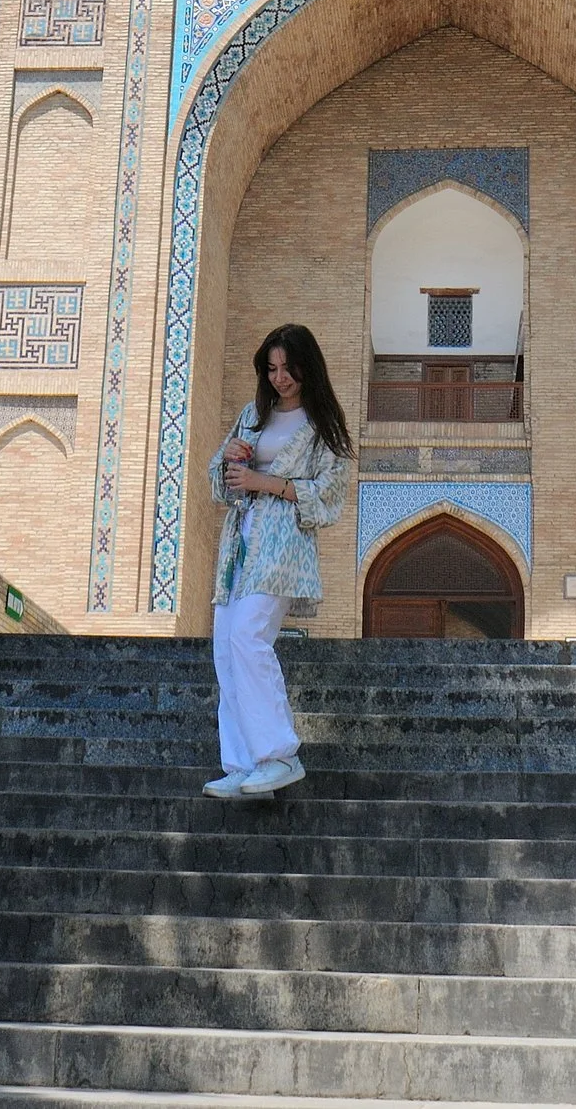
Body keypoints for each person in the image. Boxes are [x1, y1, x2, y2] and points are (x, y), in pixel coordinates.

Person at [205, 323, 352, 800]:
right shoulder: (253, 414)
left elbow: (328, 498)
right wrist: (229, 460)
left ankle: (279, 755)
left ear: (308, 367)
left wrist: (263, 482)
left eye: (288, 368)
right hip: (239, 542)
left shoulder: (322, 427)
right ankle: (243, 765)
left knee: (249, 636)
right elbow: (220, 484)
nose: (280, 378)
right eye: (271, 369)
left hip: (283, 546)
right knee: (226, 647)